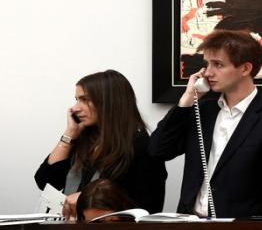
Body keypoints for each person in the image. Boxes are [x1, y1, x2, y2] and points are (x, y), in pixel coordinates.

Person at [149, 29, 262, 219]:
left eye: (218, 65)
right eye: (207, 64)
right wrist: (187, 99)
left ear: (245, 69)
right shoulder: (203, 110)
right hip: (190, 221)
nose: (208, 72)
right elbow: (158, 149)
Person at [34, 70, 167, 220]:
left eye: (85, 99)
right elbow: (45, 181)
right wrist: (70, 133)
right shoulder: (83, 139)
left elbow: (148, 208)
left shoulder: (142, 146)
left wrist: (89, 201)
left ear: (110, 102)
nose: (76, 108)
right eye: (77, 99)